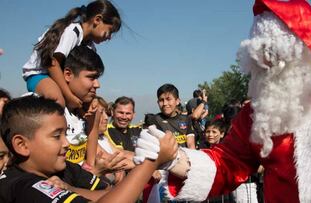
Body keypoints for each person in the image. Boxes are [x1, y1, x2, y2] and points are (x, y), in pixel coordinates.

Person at [135, 1, 311, 203]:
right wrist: (174, 157)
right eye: (262, 64)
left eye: (280, 59)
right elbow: (226, 163)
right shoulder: (259, 111)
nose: (270, 72)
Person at [0, 95, 178, 203]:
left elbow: (110, 192)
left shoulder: (66, 168)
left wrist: (70, 189)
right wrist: (151, 163)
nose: (67, 144)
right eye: (56, 136)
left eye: (65, 134)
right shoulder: (22, 187)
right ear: (21, 145)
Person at [22, 0, 121, 108]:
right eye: (109, 31)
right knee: (57, 100)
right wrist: (68, 96)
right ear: (97, 20)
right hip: (40, 74)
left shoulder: (89, 46)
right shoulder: (72, 32)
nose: (109, 37)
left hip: (58, 77)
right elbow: (52, 63)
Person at [145, 83, 196, 149]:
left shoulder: (186, 120)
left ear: (177, 101)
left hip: (186, 156)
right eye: (161, 100)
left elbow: (191, 144)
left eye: (168, 99)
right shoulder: (154, 120)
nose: (165, 104)